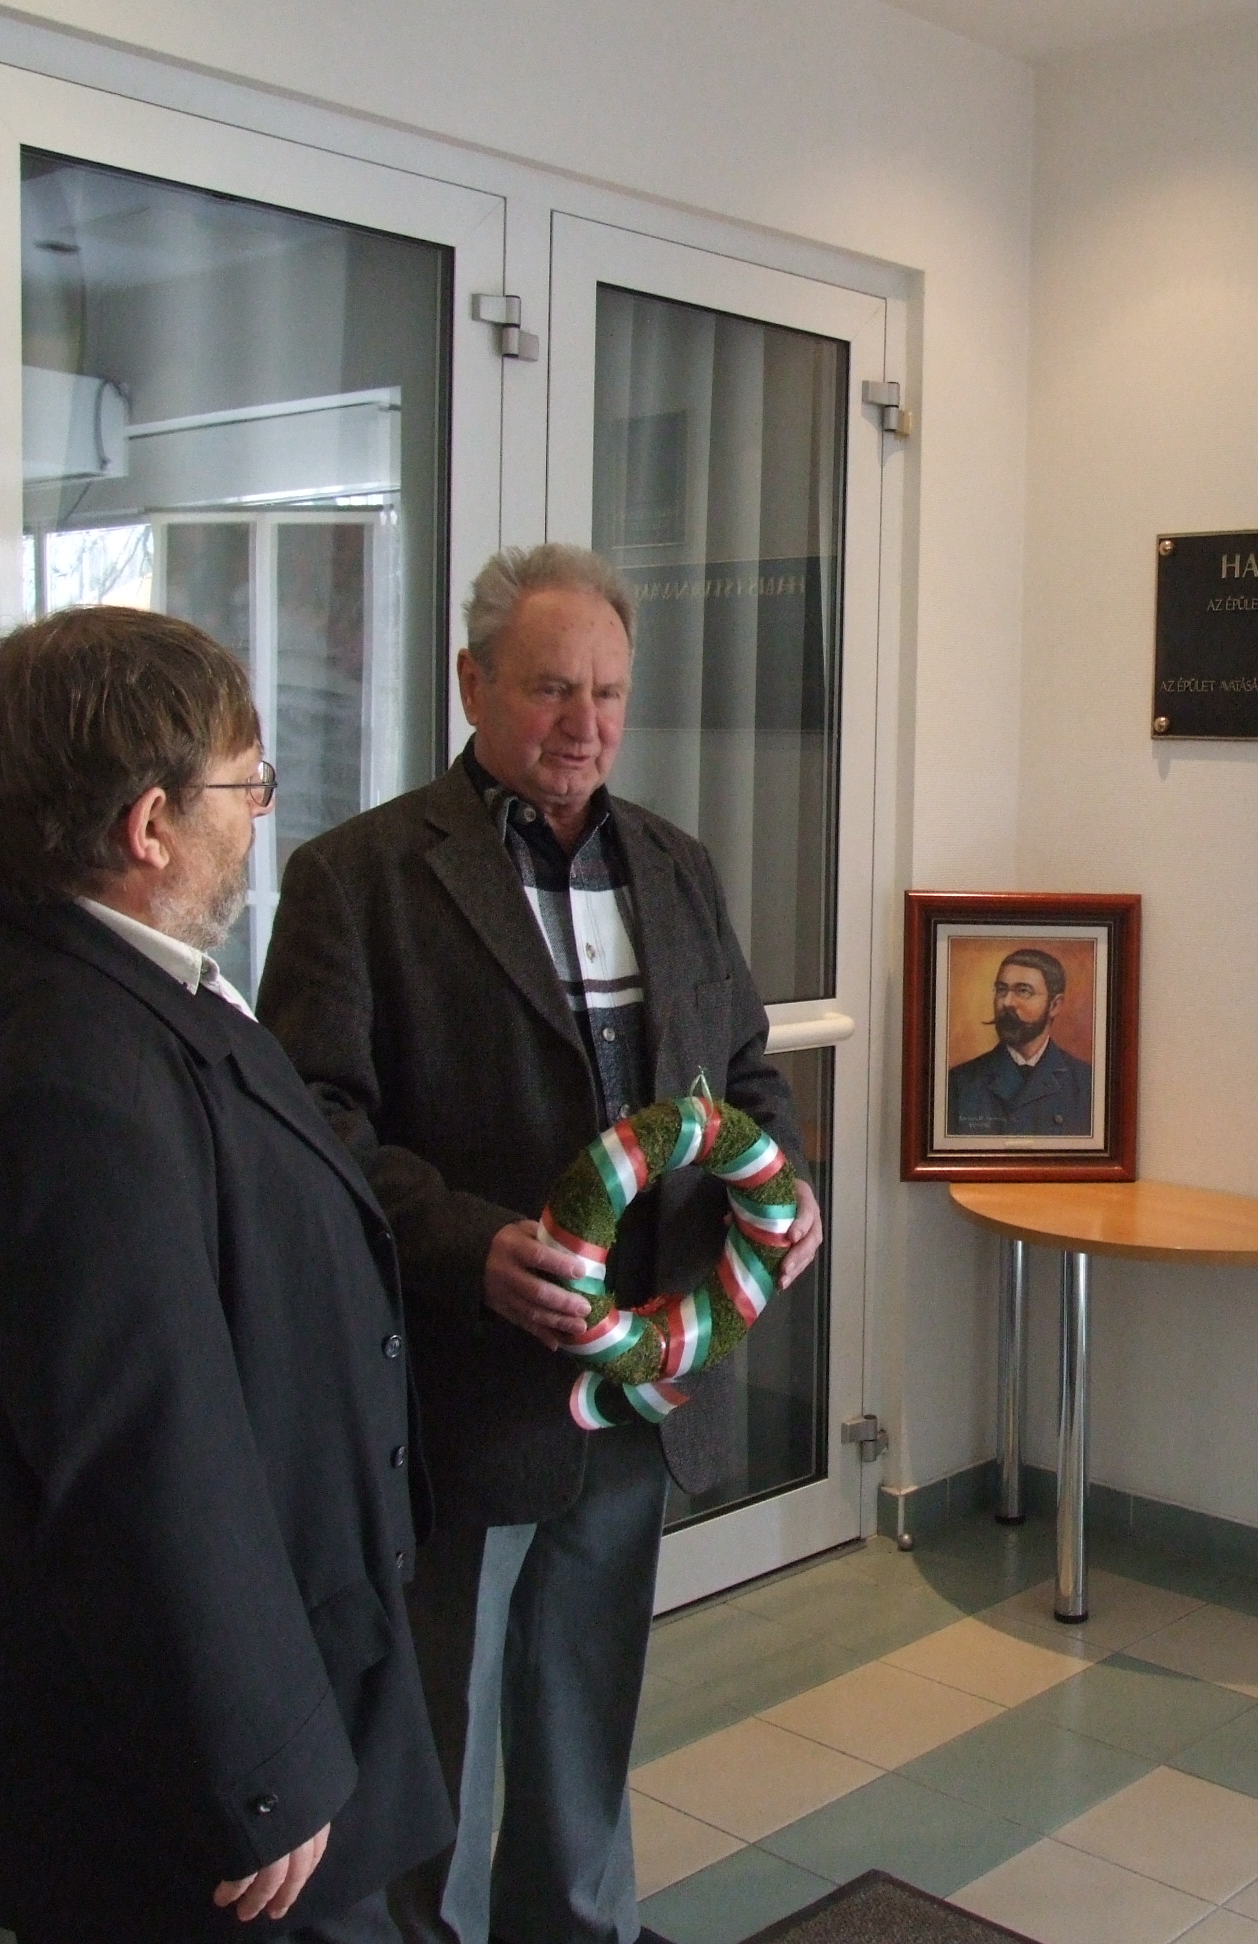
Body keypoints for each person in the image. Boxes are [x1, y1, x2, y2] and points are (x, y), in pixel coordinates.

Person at [256, 543, 824, 1944]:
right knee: (439, 1718)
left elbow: (746, 1070)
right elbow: (315, 1127)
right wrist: (469, 1247)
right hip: (466, 1383)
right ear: (471, 683)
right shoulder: (359, 878)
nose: (585, 724)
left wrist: (786, 1186)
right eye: (550, 688)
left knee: (588, 1696)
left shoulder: (677, 867)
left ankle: (578, 1928)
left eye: (610, 693)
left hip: (645, 1375)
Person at [0, 608, 451, 1944]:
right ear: (151, 826)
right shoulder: (67, 1059)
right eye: (247, 785)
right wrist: (264, 1767)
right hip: (198, 1777)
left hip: (228, 1689)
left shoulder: (51, 962)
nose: (257, 818)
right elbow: (138, 1448)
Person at [945, 948, 1096, 1137]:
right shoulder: (959, 1083)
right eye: (1001, 990)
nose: (1007, 1002)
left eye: (1023, 991)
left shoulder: (1087, 1084)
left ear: (1054, 1005)